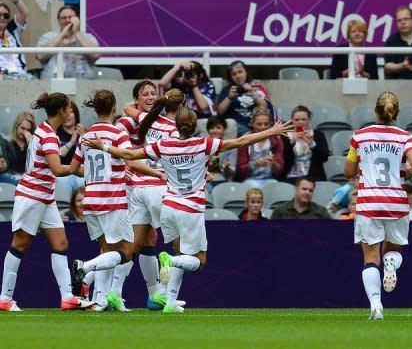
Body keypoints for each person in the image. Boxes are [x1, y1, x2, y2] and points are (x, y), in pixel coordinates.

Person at [83, 108, 294, 313]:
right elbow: (239, 142)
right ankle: (170, 261)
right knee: (197, 261)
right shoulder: (203, 144)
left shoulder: (163, 145)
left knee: (181, 254)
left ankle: (170, 302)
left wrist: (105, 147)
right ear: (194, 126)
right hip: (190, 210)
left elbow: (131, 153)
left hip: (168, 207)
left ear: (176, 125)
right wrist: (271, 131)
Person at [70, 89, 165, 311]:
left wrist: (99, 174)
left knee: (107, 251)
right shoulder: (118, 134)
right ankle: (85, 267)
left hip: (91, 200)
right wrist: (157, 173)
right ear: (114, 108)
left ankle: (100, 299)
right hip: (112, 201)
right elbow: (131, 160)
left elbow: (74, 168)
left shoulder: (86, 136)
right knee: (126, 251)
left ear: (95, 109)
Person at [0, 92, 94, 312]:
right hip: (32, 196)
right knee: (20, 244)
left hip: (45, 197)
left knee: (60, 243)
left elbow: (56, 168)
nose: (71, 112)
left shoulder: (43, 129)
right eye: (69, 108)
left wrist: (79, 167)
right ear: (61, 111)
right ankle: (4, 298)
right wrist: (76, 164)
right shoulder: (48, 136)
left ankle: (67, 297)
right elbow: (57, 169)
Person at [344, 91, 412, 320]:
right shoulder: (405, 137)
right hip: (396, 202)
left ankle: (376, 306)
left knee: (370, 258)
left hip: (369, 203)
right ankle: (391, 264)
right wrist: (409, 170)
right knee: (394, 250)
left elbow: (348, 172)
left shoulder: (359, 136)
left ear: (375, 111)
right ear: (396, 112)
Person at [119, 87, 184, 310]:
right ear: (182, 106)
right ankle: (167, 296)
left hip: (139, 186)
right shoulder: (175, 130)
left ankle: (113, 292)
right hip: (158, 187)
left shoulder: (151, 120)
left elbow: (128, 108)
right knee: (177, 247)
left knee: (138, 243)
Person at [115, 80, 165, 309]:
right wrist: (123, 163)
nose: (150, 97)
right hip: (133, 185)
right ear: (137, 99)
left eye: (153, 93)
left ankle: (154, 295)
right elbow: (117, 148)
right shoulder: (125, 122)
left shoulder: (160, 124)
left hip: (150, 182)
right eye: (145, 94)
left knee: (149, 238)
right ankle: (108, 289)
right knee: (131, 241)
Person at [36, 5, 100, 79]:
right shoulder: (48, 36)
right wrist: (62, 34)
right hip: (53, 81)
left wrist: (77, 32)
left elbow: (95, 55)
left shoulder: (87, 37)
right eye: (63, 18)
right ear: (59, 21)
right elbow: (40, 56)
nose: (67, 20)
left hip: (83, 81)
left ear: (77, 19)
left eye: (71, 17)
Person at [217, 60, 275, 136]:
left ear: (246, 72)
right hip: (234, 128)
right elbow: (219, 113)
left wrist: (254, 95)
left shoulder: (257, 88)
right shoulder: (227, 90)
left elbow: (266, 107)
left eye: (240, 72)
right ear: (231, 77)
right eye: (234, 74)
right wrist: (229, 97)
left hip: (256, 127)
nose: (237, 76)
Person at [235, 107, 284, 188]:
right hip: (249, 179)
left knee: (276, 189)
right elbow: (240, 171)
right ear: (252, 124)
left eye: (266, 124)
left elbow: (280, 170)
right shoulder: (245, 140)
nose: (263, 127)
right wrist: (255, 164)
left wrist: (273, 163)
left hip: (269, 179)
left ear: (270, 124)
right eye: (259, 124)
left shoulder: (276, 141)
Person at [281, 105, 329, 183]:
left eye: (303, 119)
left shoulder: (318, 134)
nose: (300, 122)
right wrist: (291, 143)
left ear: (309, 120)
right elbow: (283, 159)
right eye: (297, 119)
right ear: (292, 121)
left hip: (314, 177)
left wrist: (312, 144)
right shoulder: (286, 136)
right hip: (291, 177)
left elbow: (325, 157)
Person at [56, 100, 85, 196]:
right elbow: (57, 155)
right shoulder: (55, 134)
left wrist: (85, 137)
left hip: (80, 173)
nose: (68, 116)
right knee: (64, 183)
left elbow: (91, 155)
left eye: (71, 112)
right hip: (63, 174)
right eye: (65, 112)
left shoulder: (85, 133)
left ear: (76, 114)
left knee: (82, 182)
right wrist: (72, 141)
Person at [0, 111, 35, 185]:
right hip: (12, 177)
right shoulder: (7, 143)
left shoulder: (33, 145)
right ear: (16, 127)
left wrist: (32, 144)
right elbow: (6, 161)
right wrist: (3, 165)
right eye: (22, 128)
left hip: (28, 177)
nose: (25, 132)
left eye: (28, 130)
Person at [205, 115, 236, 192]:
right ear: (208, 130)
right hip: (206, 181)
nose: (215, 131)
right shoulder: (202, 145)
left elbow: (233, 172)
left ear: (224, 130)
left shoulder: (231, 146)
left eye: (218, 128)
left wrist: (227, 167)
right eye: (212, 128)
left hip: (224, 180)